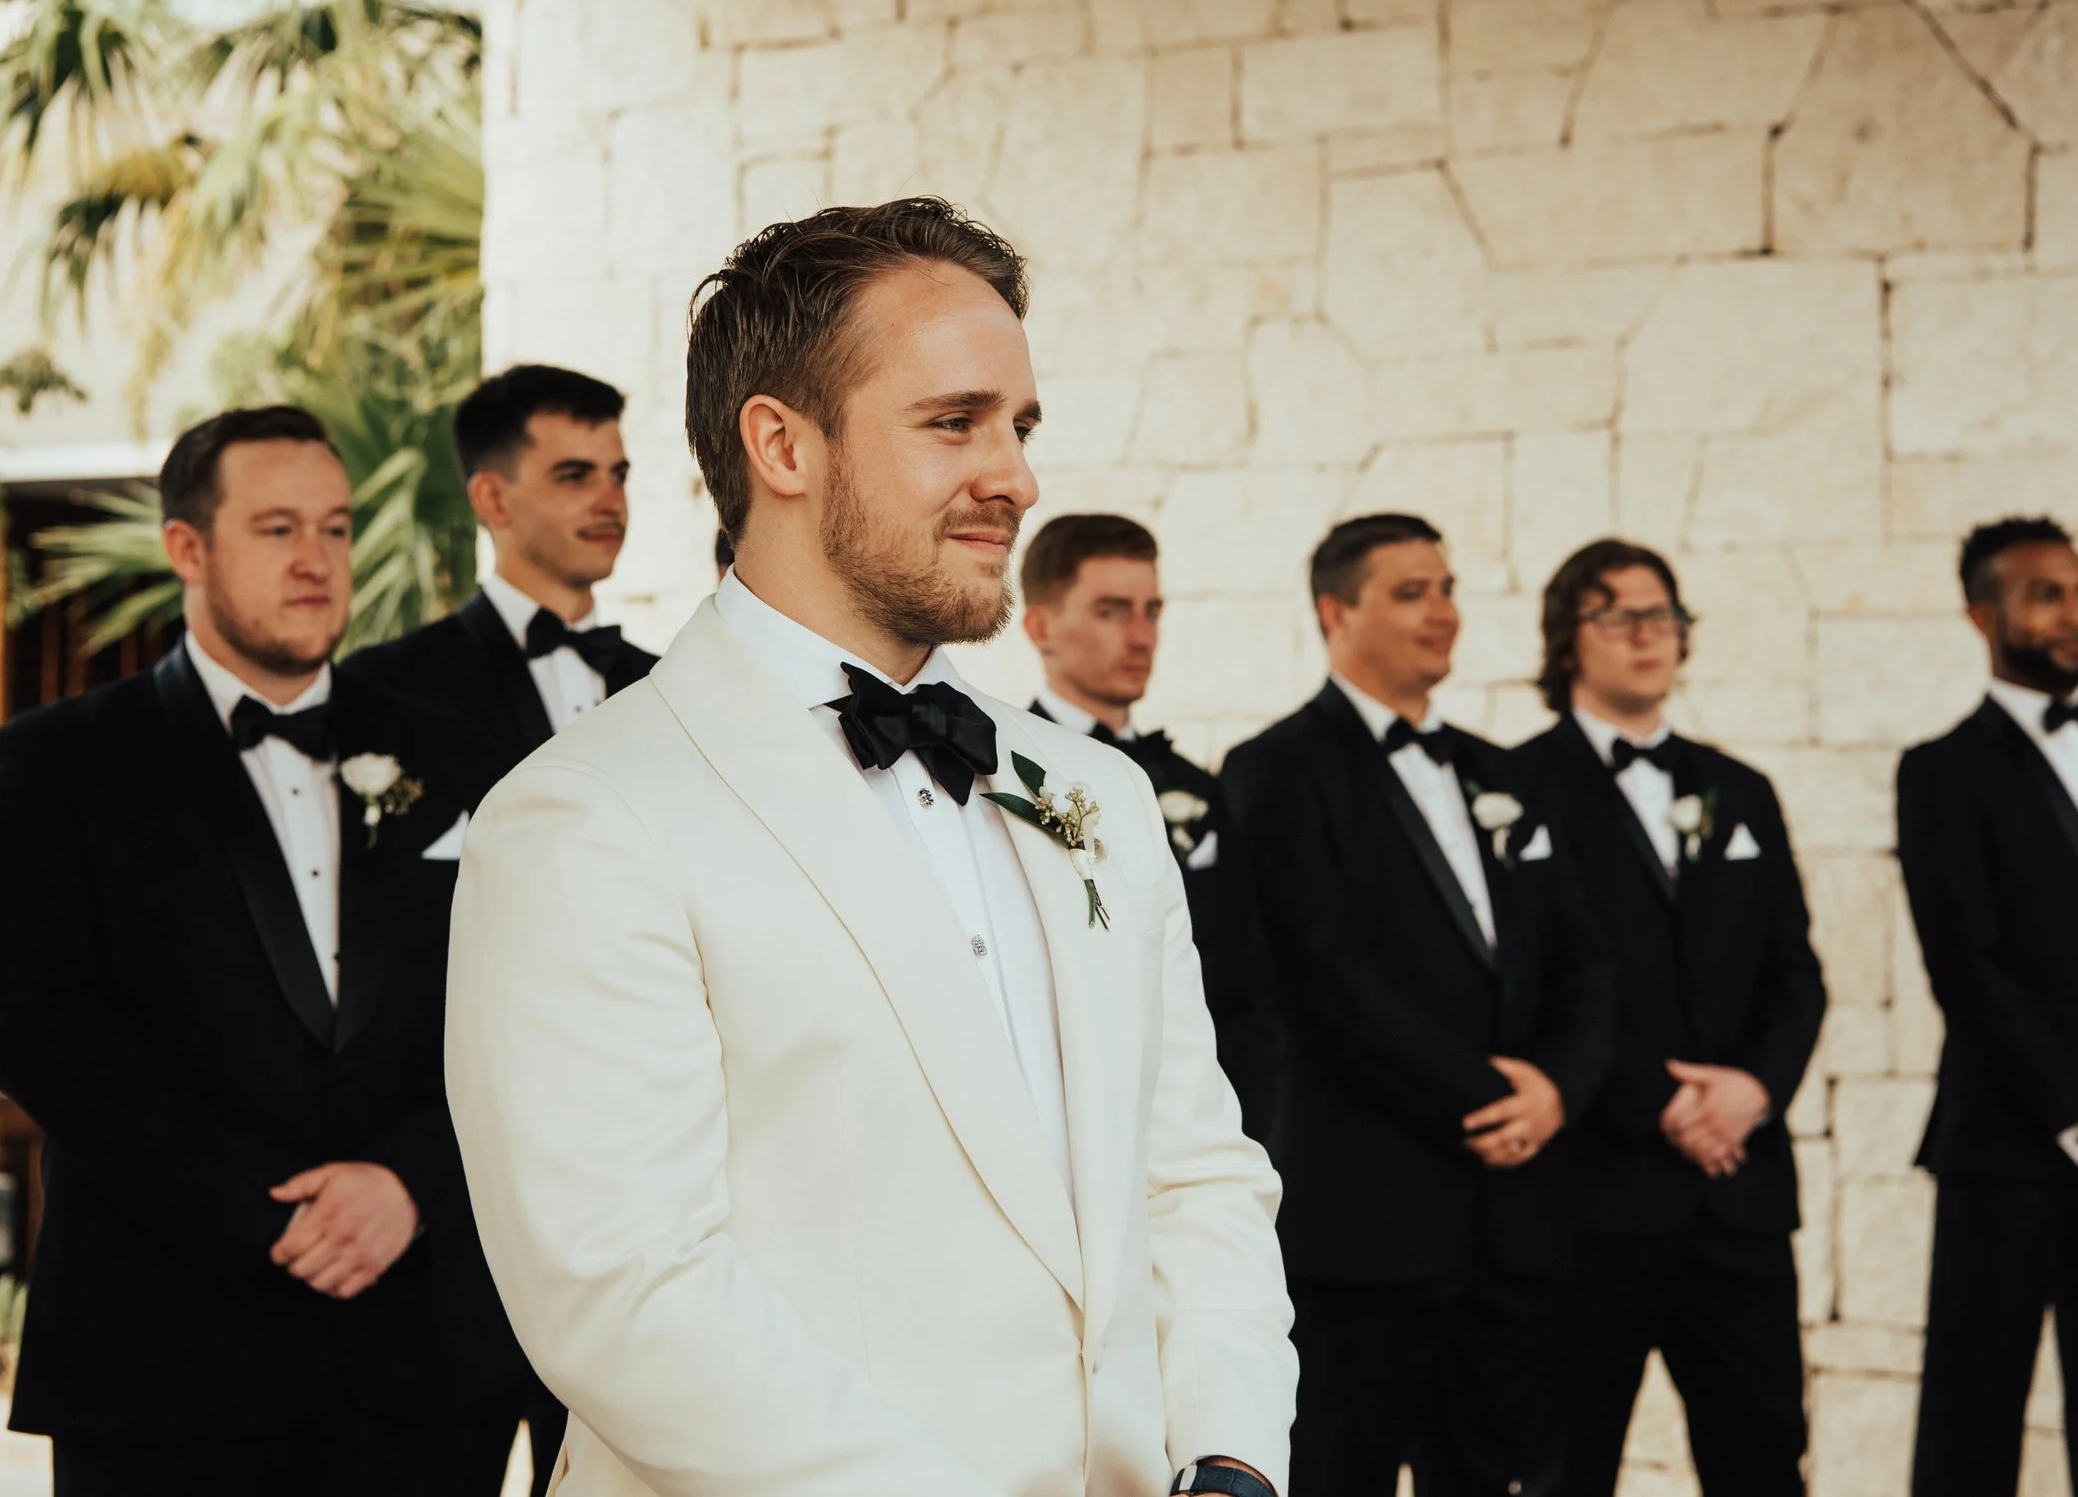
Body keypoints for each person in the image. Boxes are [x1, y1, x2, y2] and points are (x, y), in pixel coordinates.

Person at [444, 198, 1296, 1497]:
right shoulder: (583, 821)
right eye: (955, 422)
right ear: (782, 445)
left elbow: (1190, 1171)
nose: (1015, 475)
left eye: (1020, 426)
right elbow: (630, 1295)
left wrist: (1231, 1452)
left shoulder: (1097, 795)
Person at [0, 408, 525, 1495]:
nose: (316, 561)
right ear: (187, 548)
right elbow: (43, 1034)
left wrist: (411, 1181)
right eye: (275, 529)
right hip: (165, 1352)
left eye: (336, 528)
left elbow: (522, 1011)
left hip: (423, 1358)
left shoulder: (460, 759)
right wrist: (269, 1215)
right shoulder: (51, 767)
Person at [1223, 512, 1613, 1497]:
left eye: (1445, 588)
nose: (1442, 612)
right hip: (1365, 1221)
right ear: (1333, 611)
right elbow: (1322, 980)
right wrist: (1489, 1096)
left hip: (1510, 1224)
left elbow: (1582, 957)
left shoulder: (1503, 771)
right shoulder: (1272, 772)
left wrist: (1557, 1091)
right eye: (1410, 592)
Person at [1512, 539, 1823, 1497]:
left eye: (1666, 615)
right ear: (1570, 637)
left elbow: (1795, 974)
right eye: (1620, 614)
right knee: (1568, 1462)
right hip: (1594, 1194)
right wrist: (1661, 1102)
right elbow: (1532, 988)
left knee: (1765, 1458)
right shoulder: (1514, 788)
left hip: (1739, 1196)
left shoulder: (1742, 790)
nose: (1650, 634)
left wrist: (1750, 1092)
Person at [1901, 517, 2078, 1497]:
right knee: (1970, 1422)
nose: (2072, 614)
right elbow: (1966, 971)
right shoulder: (1940, 771)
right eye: (2043, 594)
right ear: (1984, 615)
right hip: (2008, 1144)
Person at [1019, 511, 1281, 1142]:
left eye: (1152, 611)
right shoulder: (1002, 777)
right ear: (1040, 626)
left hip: (1204, 1119)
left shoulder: (1198, 786)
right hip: (1065, 1120)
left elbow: (1245, 974)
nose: (1140, 637)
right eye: (1111, 611)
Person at [343, 364, 655, 788]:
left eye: (618, 476)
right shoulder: (388, 686)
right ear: (492, 499)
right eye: (575, 477)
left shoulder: (664, 685)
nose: (611, 502)